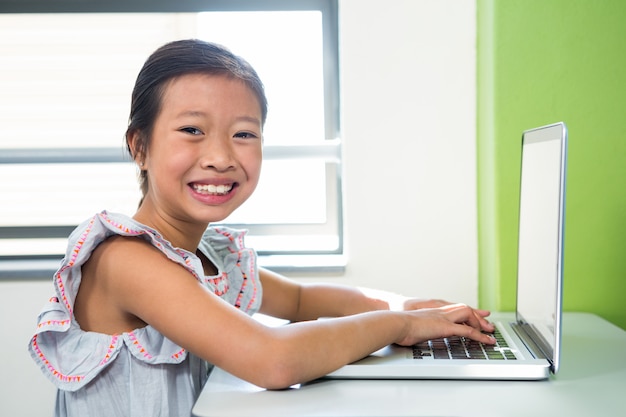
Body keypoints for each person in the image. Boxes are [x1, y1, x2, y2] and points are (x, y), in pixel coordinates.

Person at [28, 39, 495, 416]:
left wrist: (404, 304)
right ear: (141, 147)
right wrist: (398, 325)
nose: (222, 156)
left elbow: (299, 300)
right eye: (192, 130)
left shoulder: (209, 255)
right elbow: (274, 359)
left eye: (244, 134)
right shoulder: (124, 260)